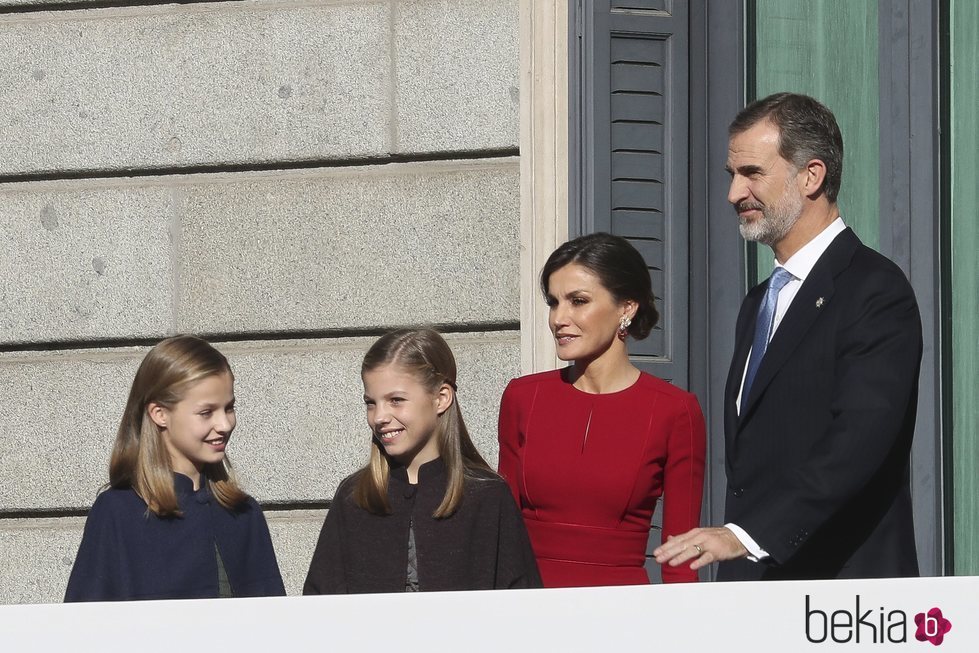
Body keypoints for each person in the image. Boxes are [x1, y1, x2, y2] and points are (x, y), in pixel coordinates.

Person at [654, 92, 922, 580]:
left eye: (753, 173)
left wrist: (748, 535)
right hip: (760, 588)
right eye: (732, 176)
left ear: (811, 175)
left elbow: (859, 440)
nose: (735, 193)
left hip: (843, 597)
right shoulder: (760, 301)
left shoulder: (874, 290)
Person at [498, 233, 707, 587]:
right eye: (553, 302)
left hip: (621, 617)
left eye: (578, 301)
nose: (558, 318)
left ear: (627, 307)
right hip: (526, 608)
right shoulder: (523, 398)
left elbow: (681, 558)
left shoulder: (675, 412)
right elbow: (500, 534)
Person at [303, 329, 541, 593]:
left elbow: (521, 604)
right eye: (371, 403)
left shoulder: (488, 497)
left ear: (441, 398)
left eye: (396, 400)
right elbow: (318, 603)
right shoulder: (354, 497)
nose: (379, 416)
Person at [65, 335, 285, 601]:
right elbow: (83, 627)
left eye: (229, 408)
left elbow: (272, 627)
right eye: (206, 412)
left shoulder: (243, 514)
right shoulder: (118, 513)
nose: (225, 424)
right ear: (160, 414)